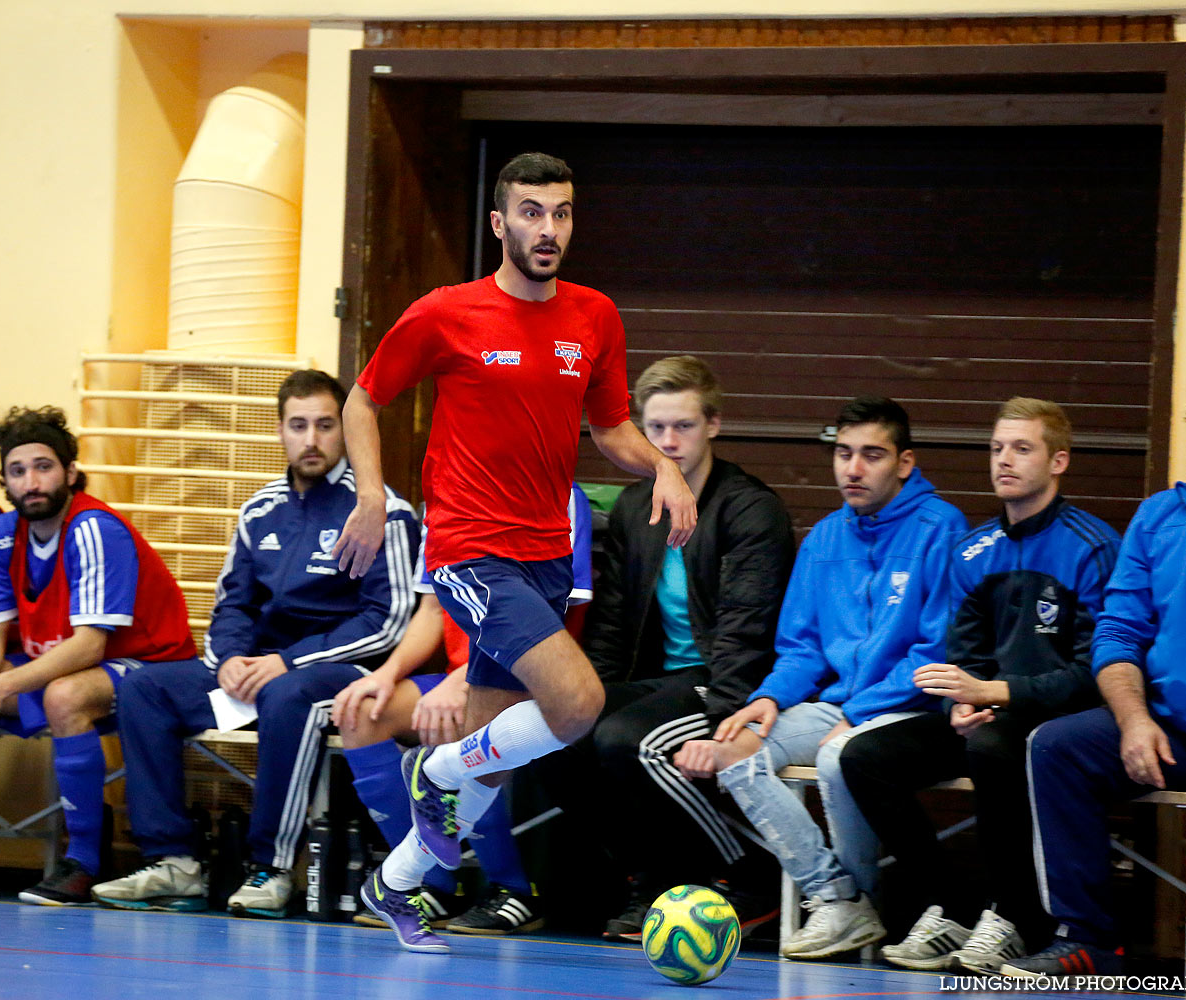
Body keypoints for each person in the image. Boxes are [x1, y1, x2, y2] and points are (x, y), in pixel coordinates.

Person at [332, 151, 698, 953]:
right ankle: (432, 779)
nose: (548, 228)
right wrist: (369, 491)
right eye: (532, 212)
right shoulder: (446, 313)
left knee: (490, 760)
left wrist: (665, 465)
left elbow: (610, 429)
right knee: (575, 705)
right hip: (469, 548)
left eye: (561, 213)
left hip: (545, 554)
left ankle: (394, 887)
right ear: (500, 223)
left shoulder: (595, 316)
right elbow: (364, 396)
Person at [90, 370, 417, 916]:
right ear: (281, 432)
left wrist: (286, 661)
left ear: (347, 431)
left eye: (324, 425)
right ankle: (174, 863)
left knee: (286, 695)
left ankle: (272, 868)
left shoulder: (382, 509)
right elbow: (231, 604)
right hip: (256, 668)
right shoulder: (259, 509)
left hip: (343, 672)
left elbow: (389, 621)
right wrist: (229, 662)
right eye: (297, 425)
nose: (310, 439)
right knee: (147, 689)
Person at [673, 396, 966, 961]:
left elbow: (936, 652)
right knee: (734, 749)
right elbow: (801, 648)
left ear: (905, 463)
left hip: (908, 706)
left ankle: (865, 900)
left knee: (839, 758)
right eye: (843, 454)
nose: (852, 469)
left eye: (871, 456)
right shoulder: (826, 538)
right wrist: (769, 697)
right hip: (839, 704)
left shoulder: (940, 527)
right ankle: (836, 898)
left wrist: (859, 716)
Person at [839, 397, 1119, 973]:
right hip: (986, 712)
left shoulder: (1091, 546)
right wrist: (957, 704)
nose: (1004, 461)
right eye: (996, 449)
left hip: (1053, 719)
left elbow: (1094, 673)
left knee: (992, 747)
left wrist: (996, 695)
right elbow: (961, 655)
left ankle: (1016, 916)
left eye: (1022, 448)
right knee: (865, 756)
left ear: (1059, 461)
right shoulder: (972, 551)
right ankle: (953, 908)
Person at [1001, 355, 1186, 979]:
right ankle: (1088, 939)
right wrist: (1133, 720)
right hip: (1177, 731)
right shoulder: (1162, 515)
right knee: (1057, 747)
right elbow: (1118, 633)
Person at [0, 405, 196, 905]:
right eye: (18, 471)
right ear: (4, 481)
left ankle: (82, 859)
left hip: (152, 665)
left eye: (43, 466)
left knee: (65, 696)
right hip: (70, 661)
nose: (32, 481)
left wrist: (1, 686)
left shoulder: (94, 528)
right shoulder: (3, 533)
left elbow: (90, 644)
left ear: (70, 473)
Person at [578, 355, 792, 940]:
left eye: (684, 426)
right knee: (562, 733)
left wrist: (722, 718)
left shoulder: (750, 509)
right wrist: (588, 695)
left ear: (714, 425)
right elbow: (613, 624)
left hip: (722, 684)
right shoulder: (632, 507)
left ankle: (754, 874)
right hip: (657, 681)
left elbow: (745, 631)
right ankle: (645, 879)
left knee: (628, 741)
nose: (669, 442)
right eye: (656, 429)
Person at [331, 484, 592, 935]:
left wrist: (465, 681)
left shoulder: (561, 494)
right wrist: (385, 674)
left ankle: (512, 889)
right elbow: (431, 610)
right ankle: (427, 885)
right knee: (361, 713)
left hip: (529, 674)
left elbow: (563, 612)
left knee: (466, 723)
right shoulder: (444, 496)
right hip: (460, 676)